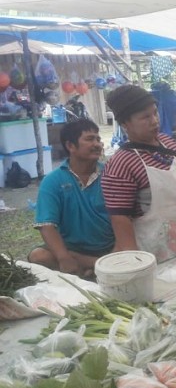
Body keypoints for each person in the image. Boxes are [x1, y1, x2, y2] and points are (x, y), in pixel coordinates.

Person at [101, 85, 176, 263]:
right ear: (125, 124)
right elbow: (121, 220)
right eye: (145, 117)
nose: (154, 121)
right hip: (160, 257)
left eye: (155, 113)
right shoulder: (121, 165)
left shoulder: (169, 144)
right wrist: (137, 265)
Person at [28, 119, 114, 279]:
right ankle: (94, 268)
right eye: (89, 139)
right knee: (39, 256)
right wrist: (63, 257)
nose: (97, 144)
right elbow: (47, 225)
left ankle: (90, 269)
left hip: (108, 248)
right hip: (71, 250)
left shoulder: (111, 175)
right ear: (70, 146)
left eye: (98, 139)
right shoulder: (53, 181)